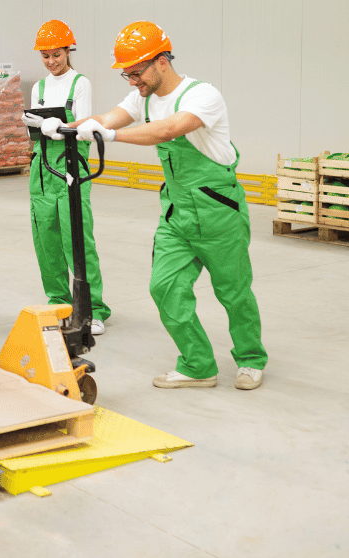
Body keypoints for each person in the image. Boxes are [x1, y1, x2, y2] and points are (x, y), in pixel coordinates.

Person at [66, 21, 267, 390]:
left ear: (161, 61)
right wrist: (63, 127)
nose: (132, 81)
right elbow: (108, 118)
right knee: (164, 286)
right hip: (177, 213)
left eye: (136, 72)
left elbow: (168, 129)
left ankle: (251, 358)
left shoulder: (201, 95)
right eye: (126, 74)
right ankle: (198, 365)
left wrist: (110, 135)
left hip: (218, 210)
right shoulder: (142, 97)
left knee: (234, 291)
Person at [21, 20, 110, 335]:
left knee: (78, 240)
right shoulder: (40, 87)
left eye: (56, 55)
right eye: (45, 56)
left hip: (71, 167)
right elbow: (35, 125)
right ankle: (58, 302)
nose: (50, 61)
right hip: (43, 168)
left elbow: (83, 127)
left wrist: (57, 128)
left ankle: (93, 309)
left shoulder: (80, 83)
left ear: (68, 51)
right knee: (46, 241)